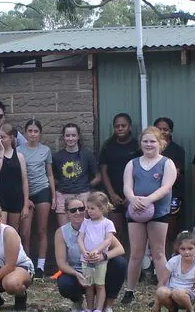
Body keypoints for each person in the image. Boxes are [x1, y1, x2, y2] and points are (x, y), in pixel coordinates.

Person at [120, 126, 178, 302]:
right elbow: (127, 186)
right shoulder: (133, 163)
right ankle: (129, 290)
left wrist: (149, 199)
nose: (148, 144)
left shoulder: (167, 163)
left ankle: (163, 291)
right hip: (136, 212)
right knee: (136, 253)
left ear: (160, 143)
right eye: (145, 141)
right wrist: (133, 198)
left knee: (158, 252)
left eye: (152, 141)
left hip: (158, 211)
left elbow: (167, 186)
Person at [53, 192, 128, 312]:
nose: (78, 212)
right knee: (64, 282)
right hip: (79, 270)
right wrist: (76, 274)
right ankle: (78, 302)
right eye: (73, 210)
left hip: (100, 266)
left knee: (120, 263)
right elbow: (61, 263)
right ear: (66, 213)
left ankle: (107, 306)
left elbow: (120, 249)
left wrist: (103, 256)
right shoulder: (61, 232)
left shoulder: (98, 224)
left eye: (81, 208)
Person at [77, 191, 120, 312]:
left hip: (100, 260)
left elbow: (108, 240)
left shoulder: (107, 223)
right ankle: (89, 308)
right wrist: (84, 251)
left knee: (100, 285)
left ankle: (99, 309)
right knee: (89, 285)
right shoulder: (86, 222)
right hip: (86, 260)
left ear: (102, 208)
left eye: (92, 208)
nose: (89, 211)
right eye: (88, 208)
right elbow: (80, 238)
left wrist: (97, 251)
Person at [20, 119, 56, 271]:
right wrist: (25, 199)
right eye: (30, 131)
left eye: (36, 131)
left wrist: (53, 196)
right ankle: (27, 265)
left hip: (42, 191)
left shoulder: (45, 150)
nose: (33, 134)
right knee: (25, 232)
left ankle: (40, 266)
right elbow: (19, 176)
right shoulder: (19, 150)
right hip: (25, 194)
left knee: (42, 230)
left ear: (40, 134)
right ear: (25, 133)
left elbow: (50, 174)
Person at [97, 113, 139, 241]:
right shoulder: (108, 146)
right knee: (115, 231)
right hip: (113, 194)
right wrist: (112, 194)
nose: (120, 128)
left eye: (123, 126)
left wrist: (130, 195)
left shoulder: (137, 146)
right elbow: (104, 171)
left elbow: (141, 171)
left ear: (129, 127)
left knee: (137, 231)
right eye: (117, 126)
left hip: (134, 194)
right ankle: (117, 259)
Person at [155, 231, 195, 312]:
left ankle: (191, 311)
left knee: (178, 293)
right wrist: (157, 304)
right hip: (171, 294)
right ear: (178, 249)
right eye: (183, 249)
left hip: (188, 296)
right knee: (161, 291)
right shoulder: (173, 261)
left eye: (190, 248)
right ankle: (173, 311)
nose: (186, 252)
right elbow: (162, 282)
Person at [0, 121, 28, 228]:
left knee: (13, 232)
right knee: (0, 231)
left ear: (11, 137)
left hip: (15, 198)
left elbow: (24, 180)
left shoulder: (19, 156)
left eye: (2, 137)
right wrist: (1, 151)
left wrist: (26, 203)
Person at [52, 122, 101, 200]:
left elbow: (98, 177)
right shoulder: (56, 157)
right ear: (63, 137)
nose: (70, 138)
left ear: (78, 136)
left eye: (73, 135)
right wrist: (62, 185)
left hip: (83, 194)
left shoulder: (88, 155)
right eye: (67, 136)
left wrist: (86, 186)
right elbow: (51, 177)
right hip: (63, 194)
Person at [154, 117, 186, 229]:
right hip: (150, 194)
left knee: (170, 229)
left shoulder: (178, 150)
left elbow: (175, 174)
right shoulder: (149, 148)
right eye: (159, 129)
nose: (162, 132)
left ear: (171, 131)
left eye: (165, 129)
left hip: (173, 194)